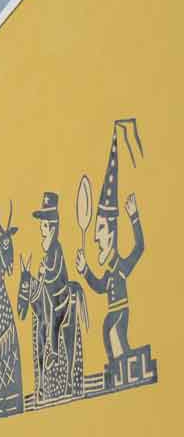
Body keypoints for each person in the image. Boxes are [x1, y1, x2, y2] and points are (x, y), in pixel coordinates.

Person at [76, 123, 145, 363]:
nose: (95, 238)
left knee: (115, 335)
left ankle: (130, 362)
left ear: (113, 233)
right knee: (108, 332)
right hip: (111, 315)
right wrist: (85, 270)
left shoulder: (121, 270)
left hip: (120, 311)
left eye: (101, 230)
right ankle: (120, 366)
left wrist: (134, 217)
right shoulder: (109, 274)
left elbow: (140, 248)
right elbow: (97, 286)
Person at [32, 191, 72, 369]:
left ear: (52, 228)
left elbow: (56, 273)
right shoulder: (48, 251)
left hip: (60, 297)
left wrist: (44, 271)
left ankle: (54, 354)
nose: (41, 229)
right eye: (42, 225)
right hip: (50, 298)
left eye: (44, 225)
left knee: (54, 320)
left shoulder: (56, 249)